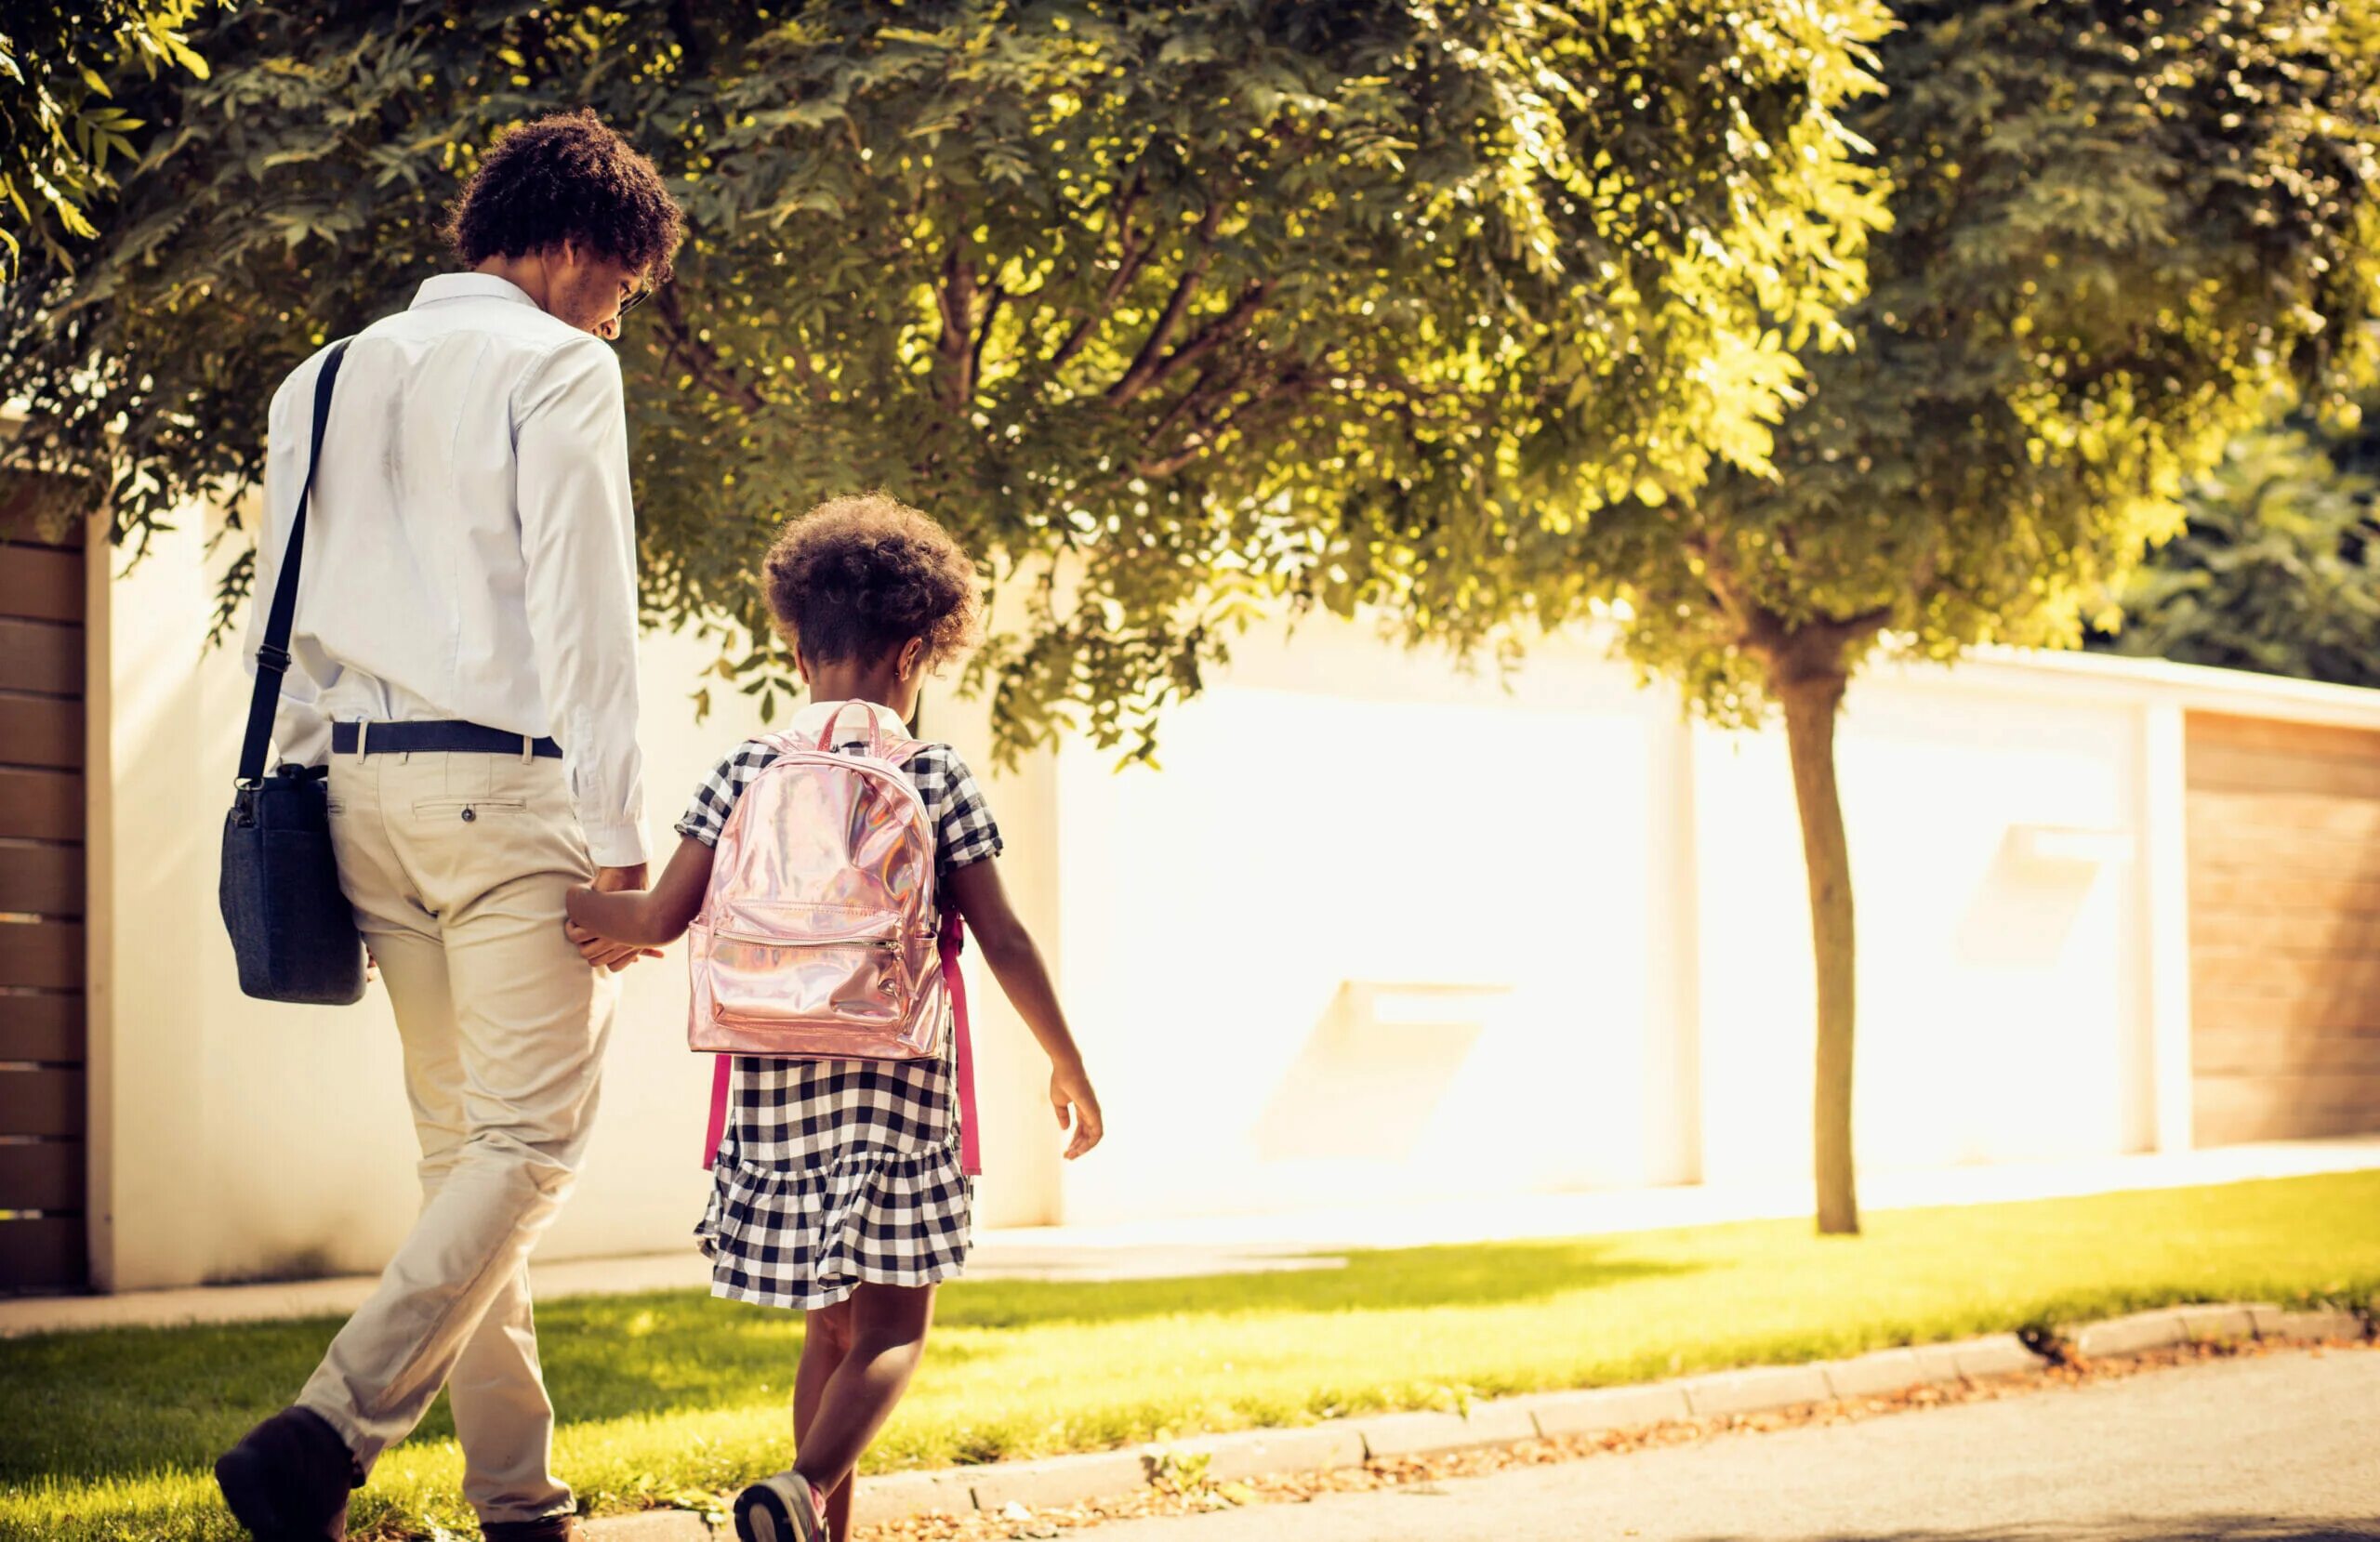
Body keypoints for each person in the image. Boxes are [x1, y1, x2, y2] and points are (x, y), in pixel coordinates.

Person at [213, 111, 684, 1542]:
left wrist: (298, 783)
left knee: (460, 1155)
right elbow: (587, 614)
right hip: (510, 799)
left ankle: (519, 1498)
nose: (620, 311)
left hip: (358, 795)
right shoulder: (560, 366)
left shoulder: (326, 374)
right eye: (620, 280)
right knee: (533, 1146)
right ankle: (329, 1428)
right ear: (567, 246)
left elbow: (281, 619)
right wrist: (622, 842)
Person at [562, 494, 1104, 1542]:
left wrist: (552, 900)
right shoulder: (933, 775)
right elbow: (1003, 938)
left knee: (830, 1332)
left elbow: (657, 918)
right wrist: (1067, 1064)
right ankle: (803, 1490)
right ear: (917, 651)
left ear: (798, 645)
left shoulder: (743, 769)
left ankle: (813, 1523)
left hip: (773, 1092)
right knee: (896, 1327)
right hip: (899, 1091)